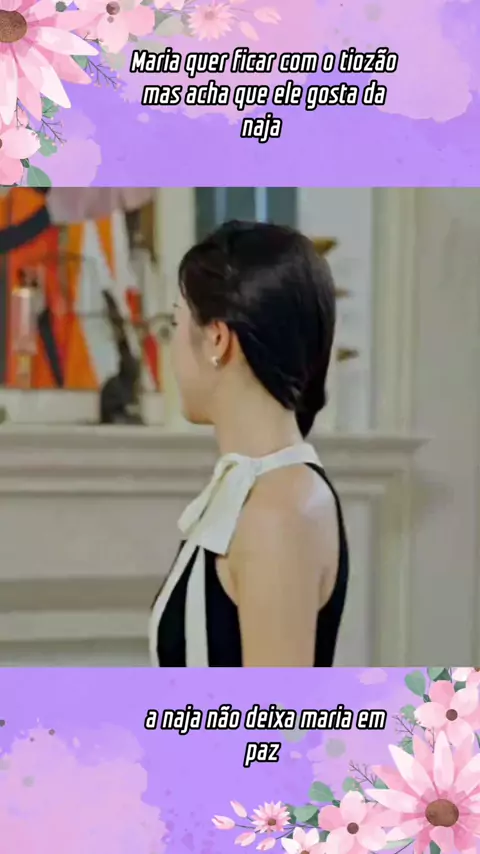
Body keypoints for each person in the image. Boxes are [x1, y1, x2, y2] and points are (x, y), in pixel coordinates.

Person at [149, 220, 349, 667]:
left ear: (217, 339)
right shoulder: (254, 492)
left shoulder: (282, 509)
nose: (170, 345)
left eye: (177, 320)